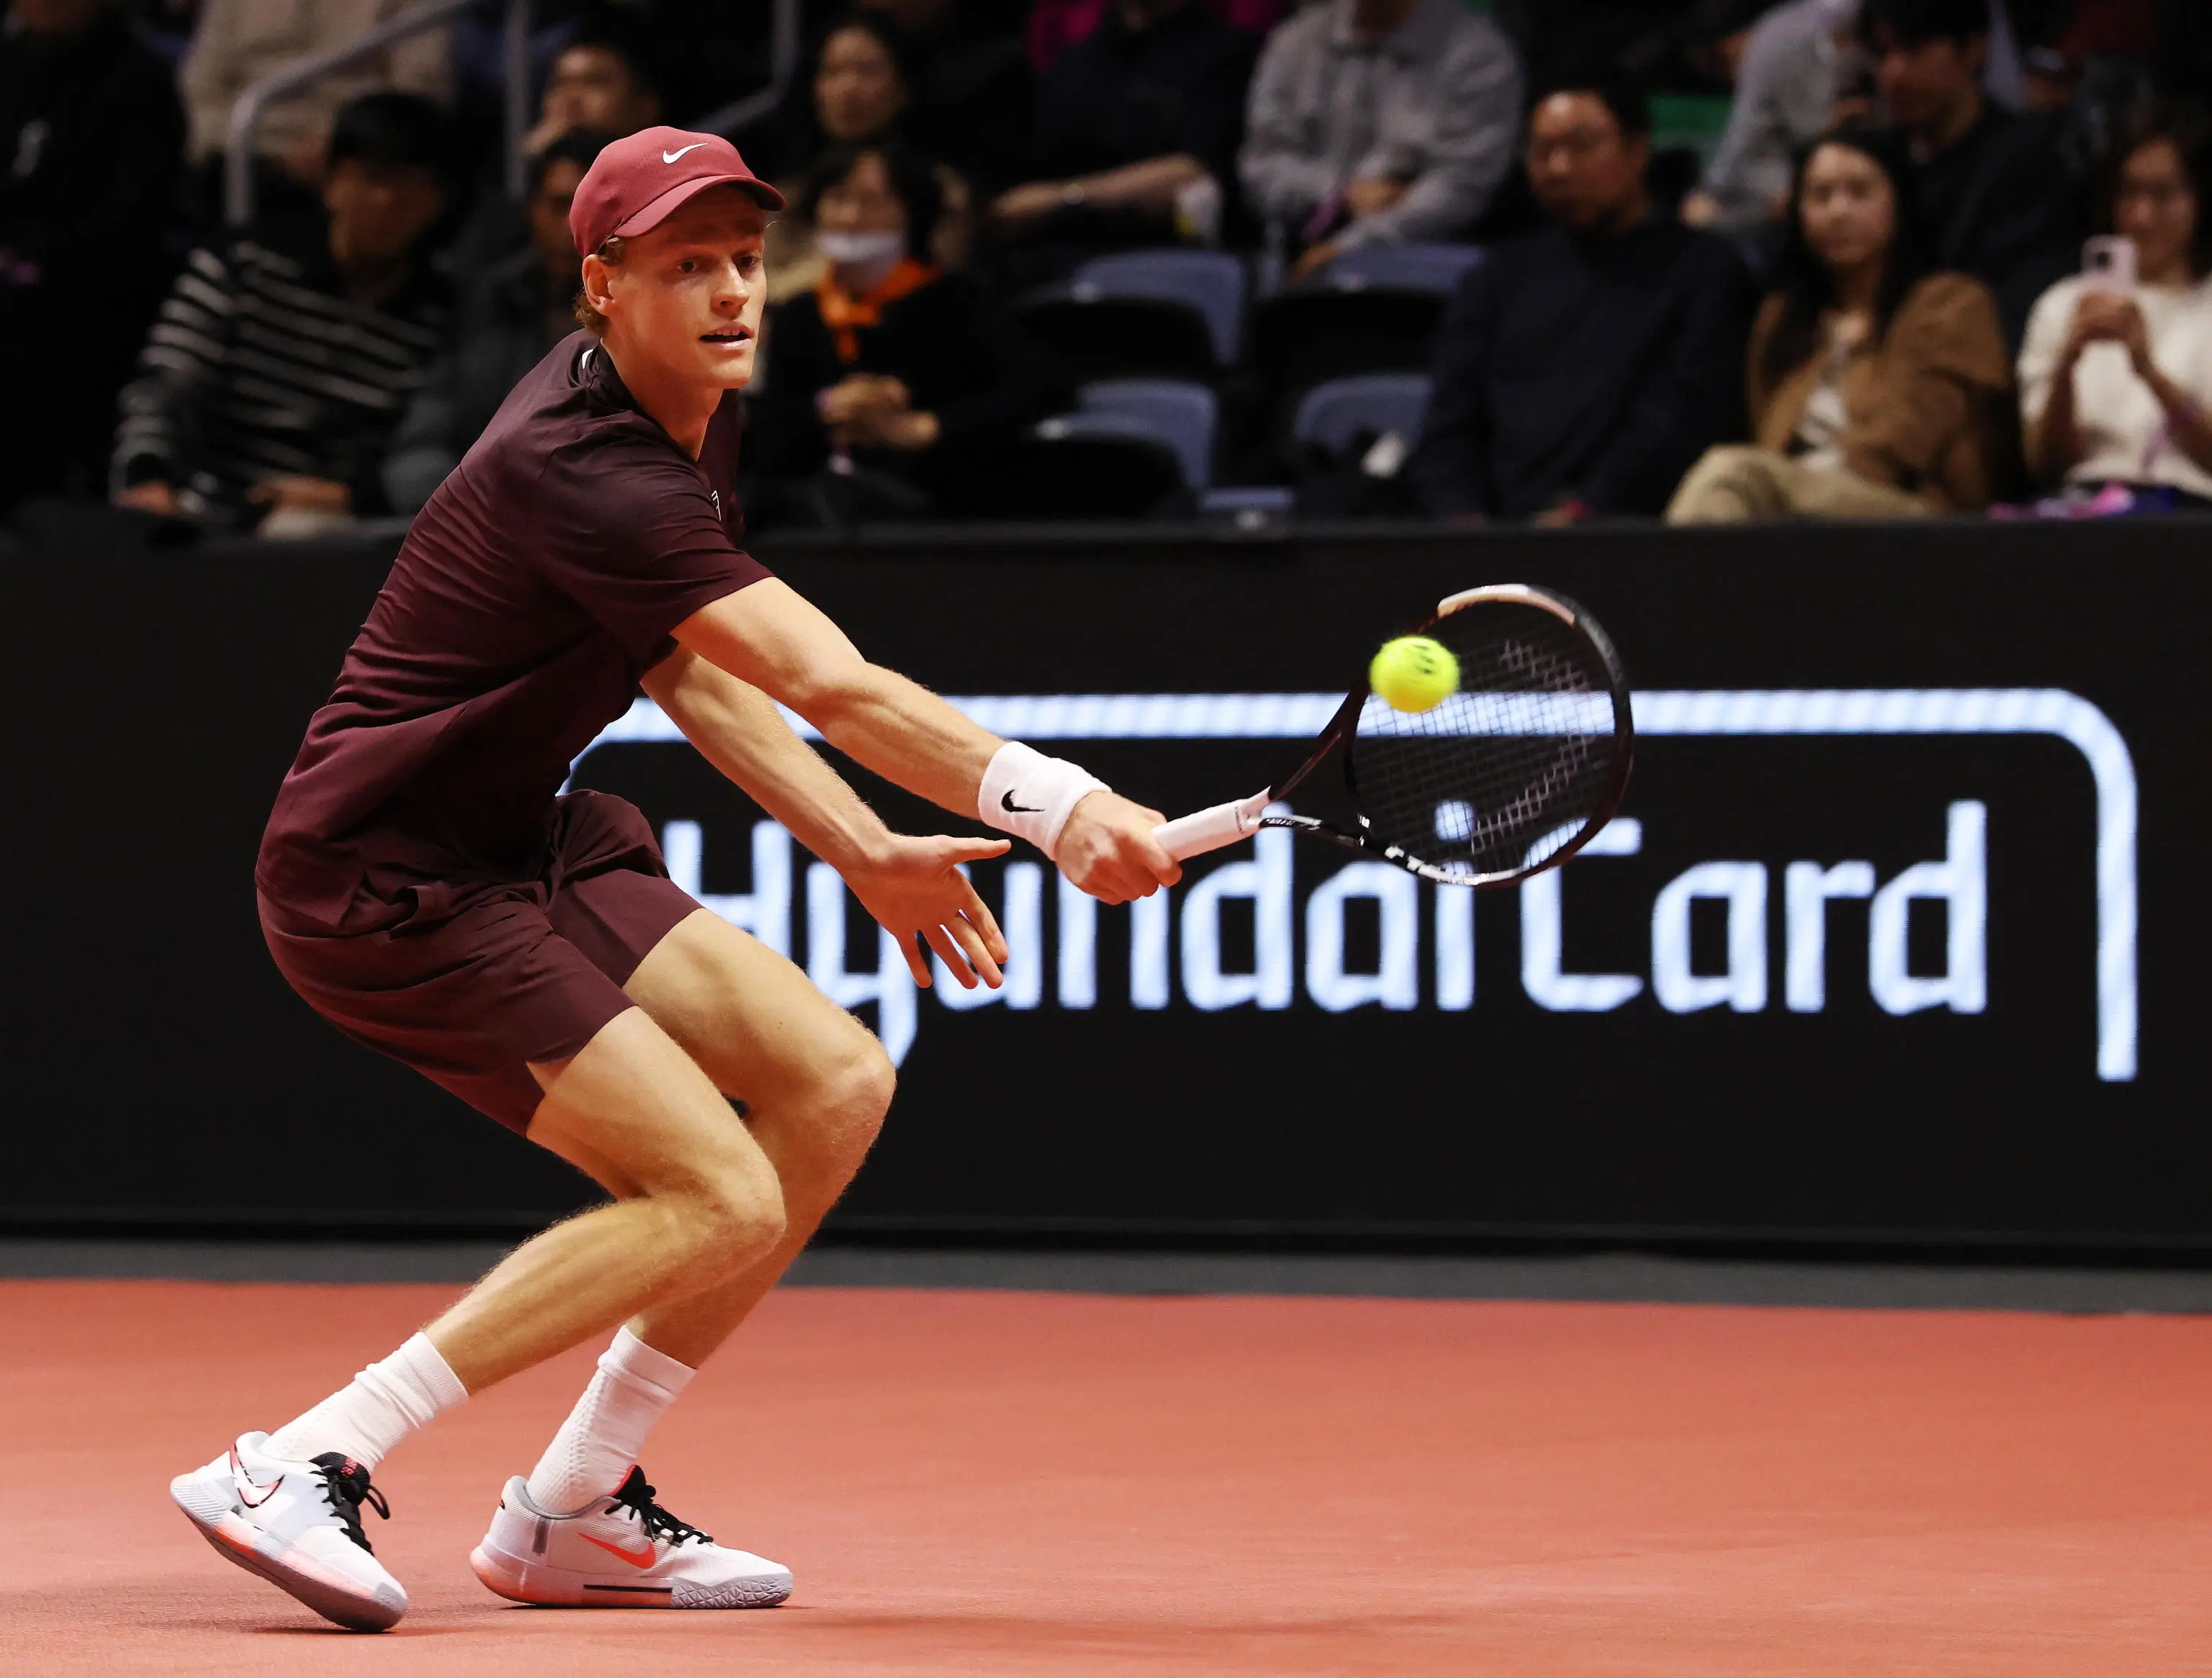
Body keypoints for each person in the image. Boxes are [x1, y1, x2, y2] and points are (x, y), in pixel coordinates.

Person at [168, 124, 1177, 1631]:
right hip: (385, 872)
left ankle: (575, 1500)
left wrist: (862, 846)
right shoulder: (583, 461)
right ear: (602, 284)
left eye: (745, 261)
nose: (730, 293)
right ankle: (310, 1450)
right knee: (716, 1189)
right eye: (686, 265)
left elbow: (685, 670)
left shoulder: (688, 410)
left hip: (523, 835)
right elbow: (832, 684)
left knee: (833, 1081)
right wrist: (1060, 802)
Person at [1408, 78, 1754, 525]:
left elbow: (1680, 423)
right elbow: (1450, 423)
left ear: (1637, 150)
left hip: (1637, 532)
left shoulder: (1705, 270)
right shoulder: (1496, 277)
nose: (1559, 168)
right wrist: (1461, 516)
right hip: (1492, 537)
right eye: (1542, 150)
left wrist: (1585, 511)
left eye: (1581, 145)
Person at [111, 93, 453, 533]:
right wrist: (149, 476)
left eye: (409, 186)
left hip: (343, 529)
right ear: (331, 181)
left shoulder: (440, 315)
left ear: (438, 202)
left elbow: (433, 446)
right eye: (371, 178)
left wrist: (357, 495)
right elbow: (168, 383)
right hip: (203, 507)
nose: (384, 202)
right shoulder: (242, 264)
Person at [1669, 126, 2011, 522]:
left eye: (1860, 192)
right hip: (1792, 499)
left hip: (1912, 510)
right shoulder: (1783, 318)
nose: (1838, 211)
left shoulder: (1952, 304)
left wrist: (1788, 484)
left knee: (1730, 474)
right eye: (1821, 195)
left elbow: (1911, 434)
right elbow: (1765, 431)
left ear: (1898, 202)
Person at [751, 139, 1060, 522]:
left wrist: (926, 427)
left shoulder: (956, 299)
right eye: (838, 200)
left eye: (873, 202)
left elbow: (1041, 386)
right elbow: (772, 440)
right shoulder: (802, 314)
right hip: (821, 512)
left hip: (945, 506)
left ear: (913, 213)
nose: (850, 218)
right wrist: (829, 407)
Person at [0, 0, 185, 512]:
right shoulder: (10, 66)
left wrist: (26, 262)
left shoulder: (138, 80)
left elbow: (132, 221)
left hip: (86, 297)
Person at [384, 130, 613, 516]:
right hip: (483, 527)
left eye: (595, 210)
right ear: (531, 209)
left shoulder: (662, 316)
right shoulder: (484, 302)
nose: (575, 227)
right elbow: (421, 443)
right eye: (560, 205)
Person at [2018, 103, 2212, 510]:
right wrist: (2067, 364)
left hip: (2194, 514)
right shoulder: (2063, 303)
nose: (2141, 216)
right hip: (2084, 509)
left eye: (2163, 195)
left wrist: (2148, 370)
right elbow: (2046, 465)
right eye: (2128, 192)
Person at [1240, 0, 1521, 281]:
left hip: (1422, 263)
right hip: (1295, 251)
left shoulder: (1480, 56)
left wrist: (1349, 247)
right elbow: (1262, 164)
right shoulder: (1295, 42)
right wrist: (1342, 195)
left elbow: (1460, 184)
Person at [1863, 0, 2081, 340]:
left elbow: (2018, 313)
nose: (1893, 72)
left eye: (1912, 49)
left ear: (1973, 49)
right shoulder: (1876, 159)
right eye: (1882, 53)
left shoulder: (2029, 164)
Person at [986, 0, 1258, 267]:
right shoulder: (1071, 67)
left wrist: (1063, 200)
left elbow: (1191, 172)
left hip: (1165, 260)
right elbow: (1015, 200)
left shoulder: (1229, 55)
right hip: (1051, 263)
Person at [180, 0, 450, 199]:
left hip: (342, 159)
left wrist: (337, 148)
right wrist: (219, 139)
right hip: (232, 150)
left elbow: (417, 95)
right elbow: (198, 88)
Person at [1683, 0, 1865, 234]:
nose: (1732, 72)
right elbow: (1808, 131)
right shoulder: (1786, 38)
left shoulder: (1794, 31)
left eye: (1725, 60)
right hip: (1758, 195)